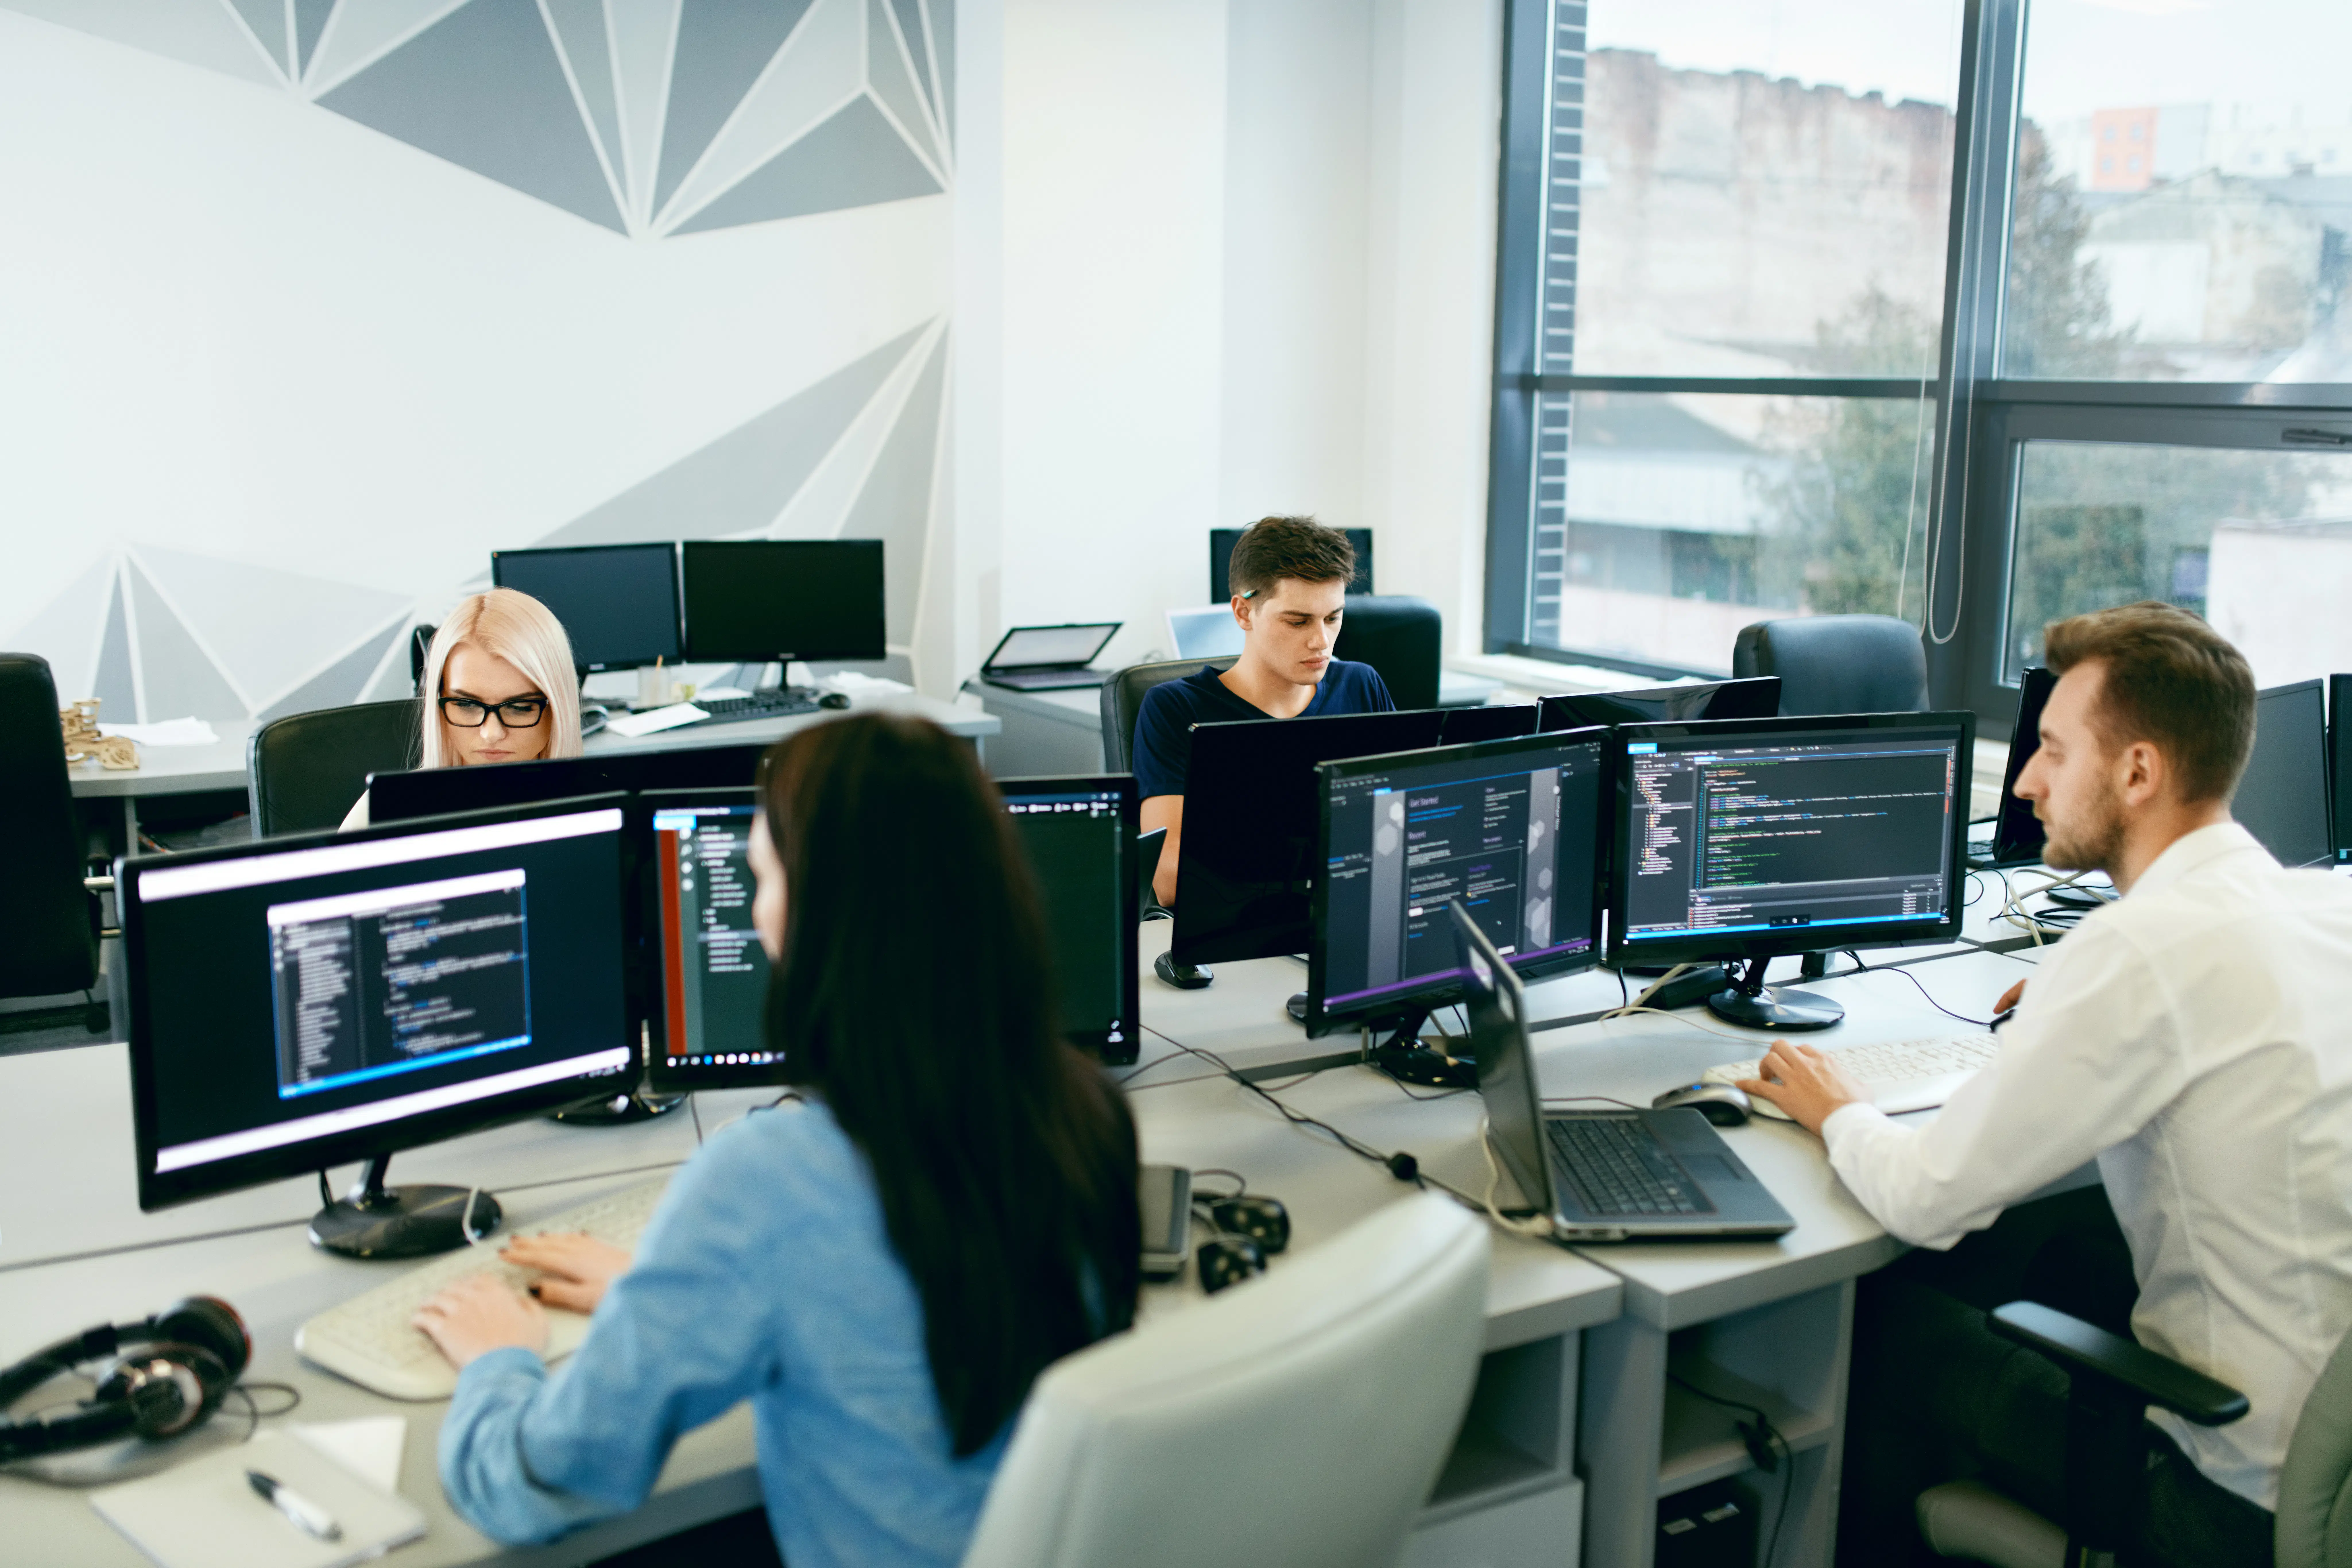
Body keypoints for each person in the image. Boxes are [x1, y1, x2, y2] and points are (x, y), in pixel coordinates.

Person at [409, 712, 1142, 1567]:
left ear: (819, 913)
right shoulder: (1084, 1112)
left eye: (761, 873)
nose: (755, 906)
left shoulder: (767, 1179)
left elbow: (536, 1480)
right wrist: (669, 1298)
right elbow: (893, 1319)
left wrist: (499, 1357)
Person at [1739, 602, 2352, 1566]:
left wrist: (1837, 1107)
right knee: (2061, 1251)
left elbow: (1924, 1199)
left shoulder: (2138, 948)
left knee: (1890, 1325)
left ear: (2138, 771)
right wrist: (2075, 999)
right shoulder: (2326, 906)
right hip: (2335, 1478)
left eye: (2055, 752)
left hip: (2229, 1506)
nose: (2024, 779)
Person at [1134, 515, 1394, 907]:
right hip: (1240, 929)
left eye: (1333, 618)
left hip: (1351, 914)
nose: (1321, 640)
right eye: (1297, 621)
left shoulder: (1362, 685)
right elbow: (1171, 879)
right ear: (1243, 613)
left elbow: (1405, 824)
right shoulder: (1176, 709)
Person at [339, 588, 585, 829]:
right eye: (466, 705)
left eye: (520, 707)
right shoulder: (381, 814)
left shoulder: (601, 807)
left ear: (558, 707)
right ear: (439, 701)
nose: (491, 733)